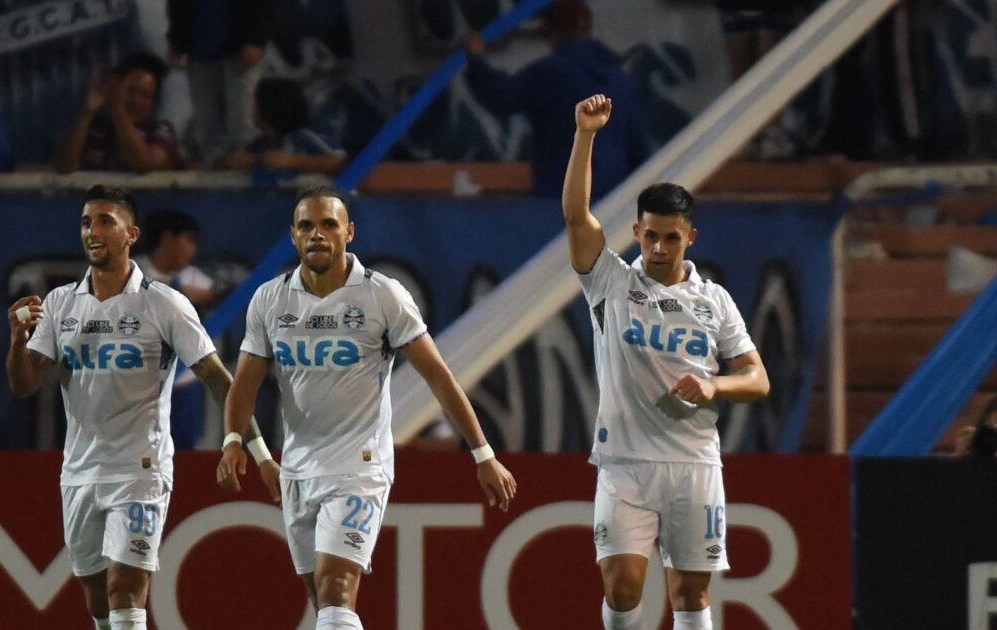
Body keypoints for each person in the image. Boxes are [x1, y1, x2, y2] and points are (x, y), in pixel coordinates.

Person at [217, 186, 517, 630]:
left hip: (360, 467)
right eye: (306, 226)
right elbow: (245, 382)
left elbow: (438, 375)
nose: (316, 234)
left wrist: (483, 453)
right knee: (325, 603)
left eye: (328, 224)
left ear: (349, 232)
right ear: (293, 236)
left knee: (337, 584)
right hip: (298, 467)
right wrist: (233, 442)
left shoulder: (382, 295)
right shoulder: (270, 300)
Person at [6, 185, 277, 630]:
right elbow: (24, 383)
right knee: (98, 600)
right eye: (86, 222)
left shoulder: (163, 303)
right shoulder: (59, 305)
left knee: (124, 590)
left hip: (141, 468)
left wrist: (252, 448)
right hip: (80, 469)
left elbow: (217, 378)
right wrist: (17, 345)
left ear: (131, 233)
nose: (92, 231)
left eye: (105, 222)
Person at [563, 94, 770, 630]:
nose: (658, 247)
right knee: (623, 586)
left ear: (690, 238)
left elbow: (757, 378)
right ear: (636, 233)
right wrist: (586, 135)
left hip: (694, 463)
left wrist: (715, 388)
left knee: (691, 596)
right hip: (625, 463)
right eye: (649, 235)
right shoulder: (610, 282)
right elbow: (574, 215)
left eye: (670, 237)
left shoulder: (714, 301)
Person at [463, 0, 649, 198]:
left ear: (553, 34)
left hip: (563, 200)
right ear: (589, 29)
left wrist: (475, 59)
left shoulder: (552, 73)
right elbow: (638, 148)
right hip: (613, 203)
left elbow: (500, 96)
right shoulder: (620, 79)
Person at [133, 208, 230, 449]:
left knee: (184, 453)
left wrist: (209, 296)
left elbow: (224, 296)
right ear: (167, 239)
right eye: (188, 241)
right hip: (140, 383)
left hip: (184, 383)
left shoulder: (193, 276)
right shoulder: (134, 269)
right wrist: (184, 292)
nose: (192, 250)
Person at [165, 0, 277, 164]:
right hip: (200, 51)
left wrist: (257, 40)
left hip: (240, 53)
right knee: (207, 132)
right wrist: (176, 39)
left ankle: (247, 185)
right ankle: (214, 184)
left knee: (242, 130)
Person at [55, 53, 184, 174]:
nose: (136, 100)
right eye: (130, 91)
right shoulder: (93, 128)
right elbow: (63, 168)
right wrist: (88, 113)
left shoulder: (160, 130)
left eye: (145, 95)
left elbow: (145, 165)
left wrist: (118, 111)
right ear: (116, 89)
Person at [226, 77, 348, 187]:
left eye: (256, 103)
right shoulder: (260, 144)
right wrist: (233, 162)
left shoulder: (304, 138)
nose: (252, 108)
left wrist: (293, 161)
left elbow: (343, 163)